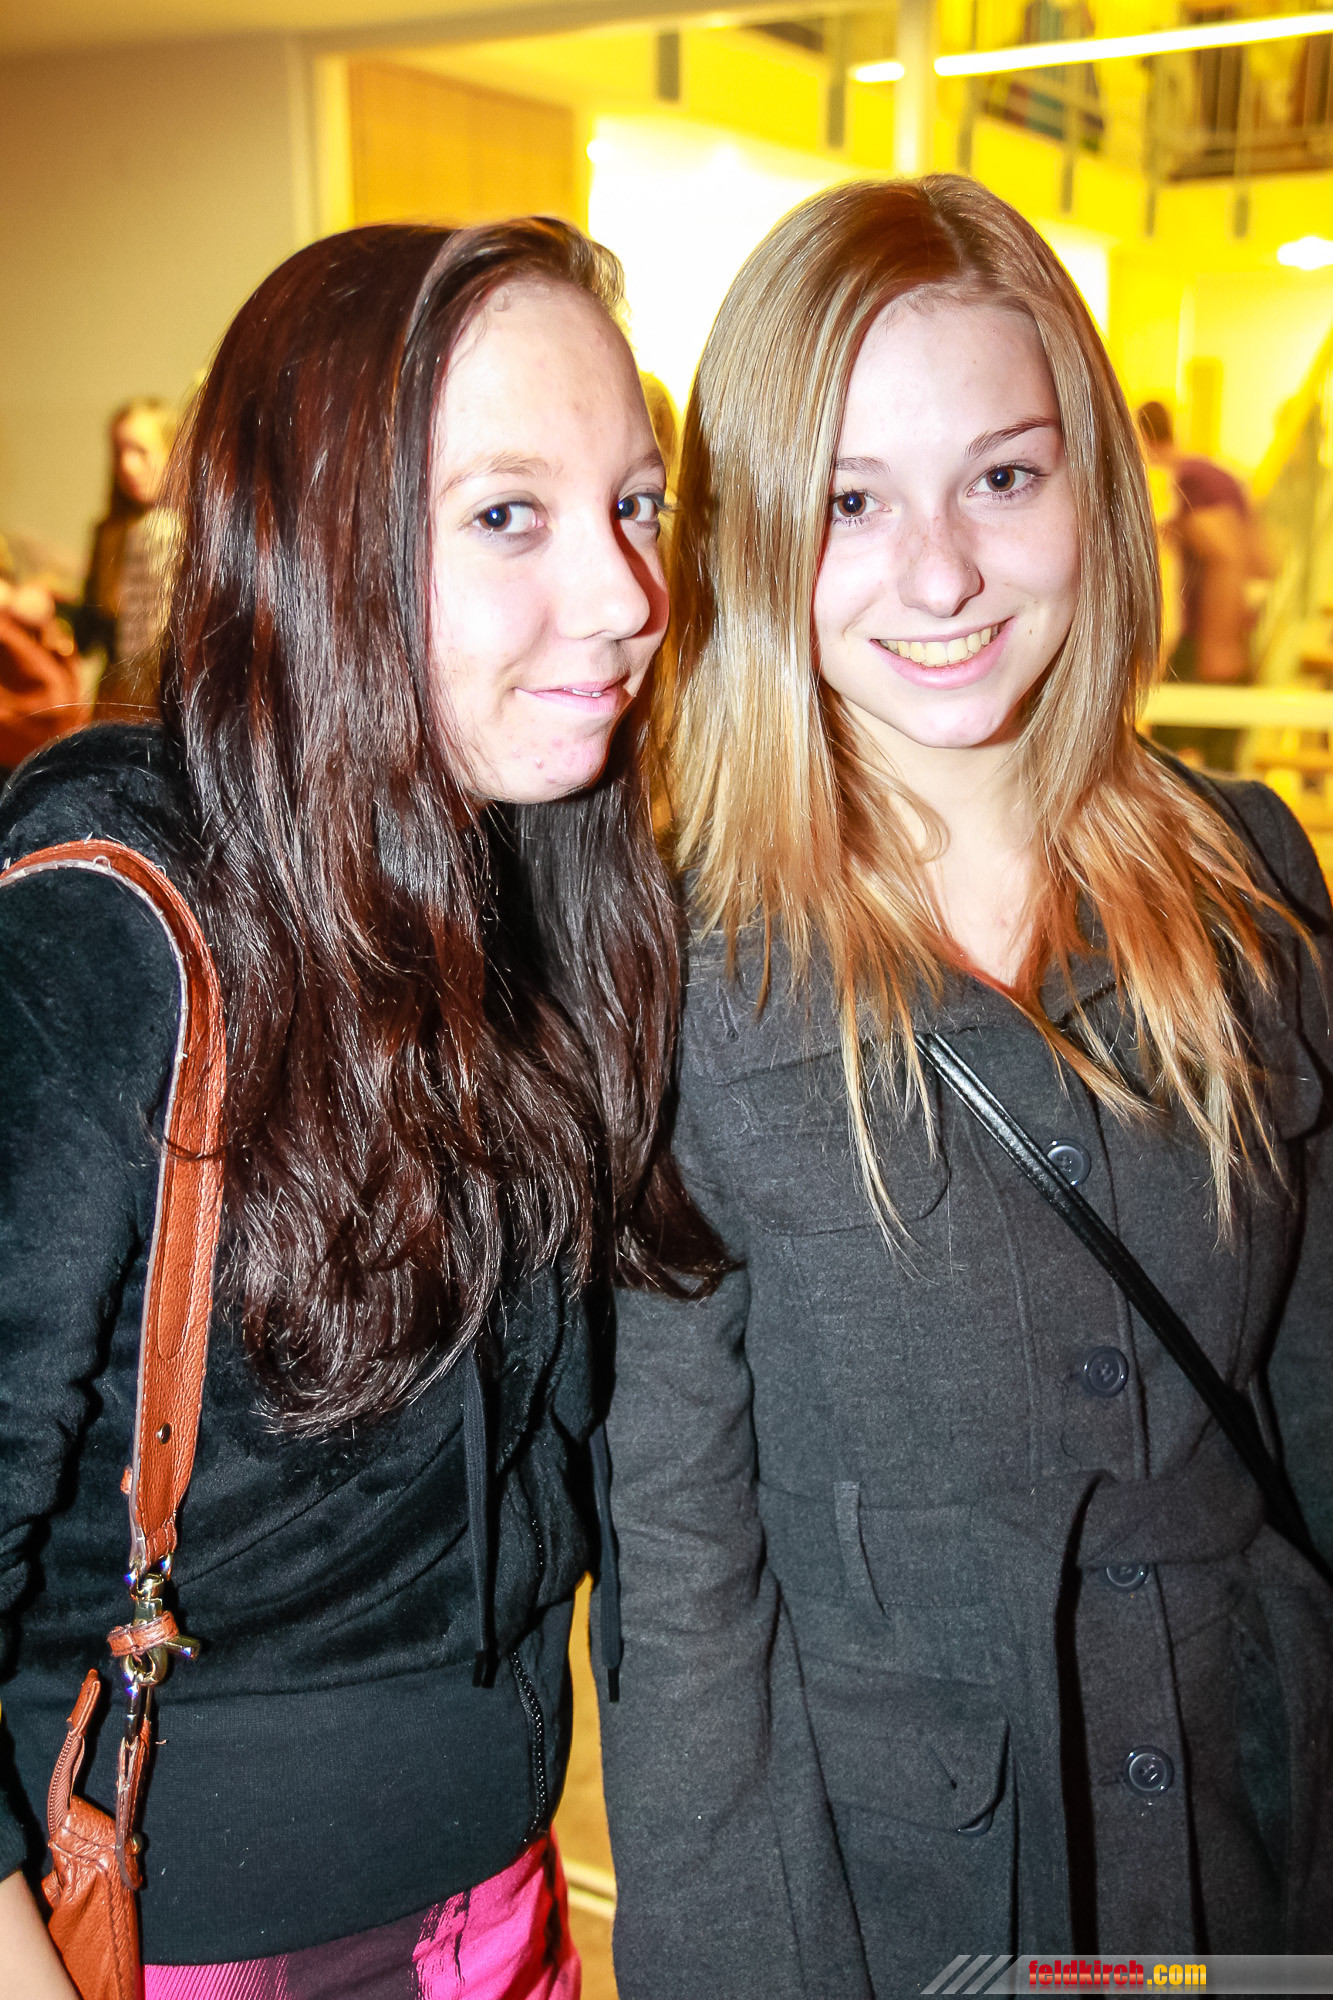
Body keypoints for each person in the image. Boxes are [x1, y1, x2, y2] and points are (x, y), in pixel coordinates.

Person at [598, 176, 1333, 1996]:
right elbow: (685, 1603)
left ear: (1093, 491)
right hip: (918, 1916)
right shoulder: (679, 978)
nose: (938, 576)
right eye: (852, 503)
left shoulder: (1245, 883)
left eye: (1001, 478)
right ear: (756, 535)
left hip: (1258, 1851)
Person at [0, 217, 722, 1993]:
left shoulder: (542, 881)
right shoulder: (115, 934)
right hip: (175, 1941)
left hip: (500, 1904)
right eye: (508, 515)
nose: (625, 596)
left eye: (634, 504)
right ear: (315, 539)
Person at [1137, 398, 1270, 772]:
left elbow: (1226, 556)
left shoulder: (1192, 480)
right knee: (1217, 766)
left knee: (1158, 758)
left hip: (1209, 645)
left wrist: (1218, 650)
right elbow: (1260, 559)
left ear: (1142, 438)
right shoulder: (1218, 475)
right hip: (1231, 641)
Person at [77, 397, 177, 713]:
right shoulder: (110, 533)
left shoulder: (198, 530)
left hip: (173, 697)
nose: (127, 466)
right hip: (123, 698)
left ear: (173, 452)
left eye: (141, 451)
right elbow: (89, 631)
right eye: (119, 452)